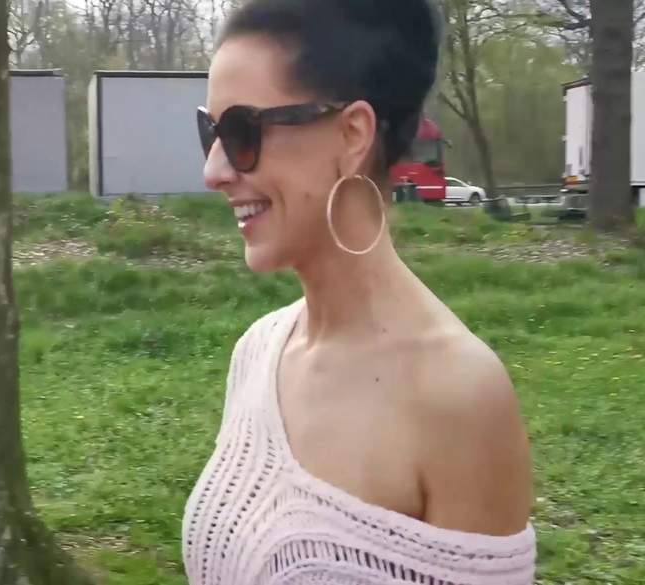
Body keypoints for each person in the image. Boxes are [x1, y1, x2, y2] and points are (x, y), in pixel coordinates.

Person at [182, 1, 537, 584]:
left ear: (352, 134)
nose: (214, 171)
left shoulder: (460, 397)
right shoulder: (258, 352)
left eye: (243, 132)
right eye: (211, 132)